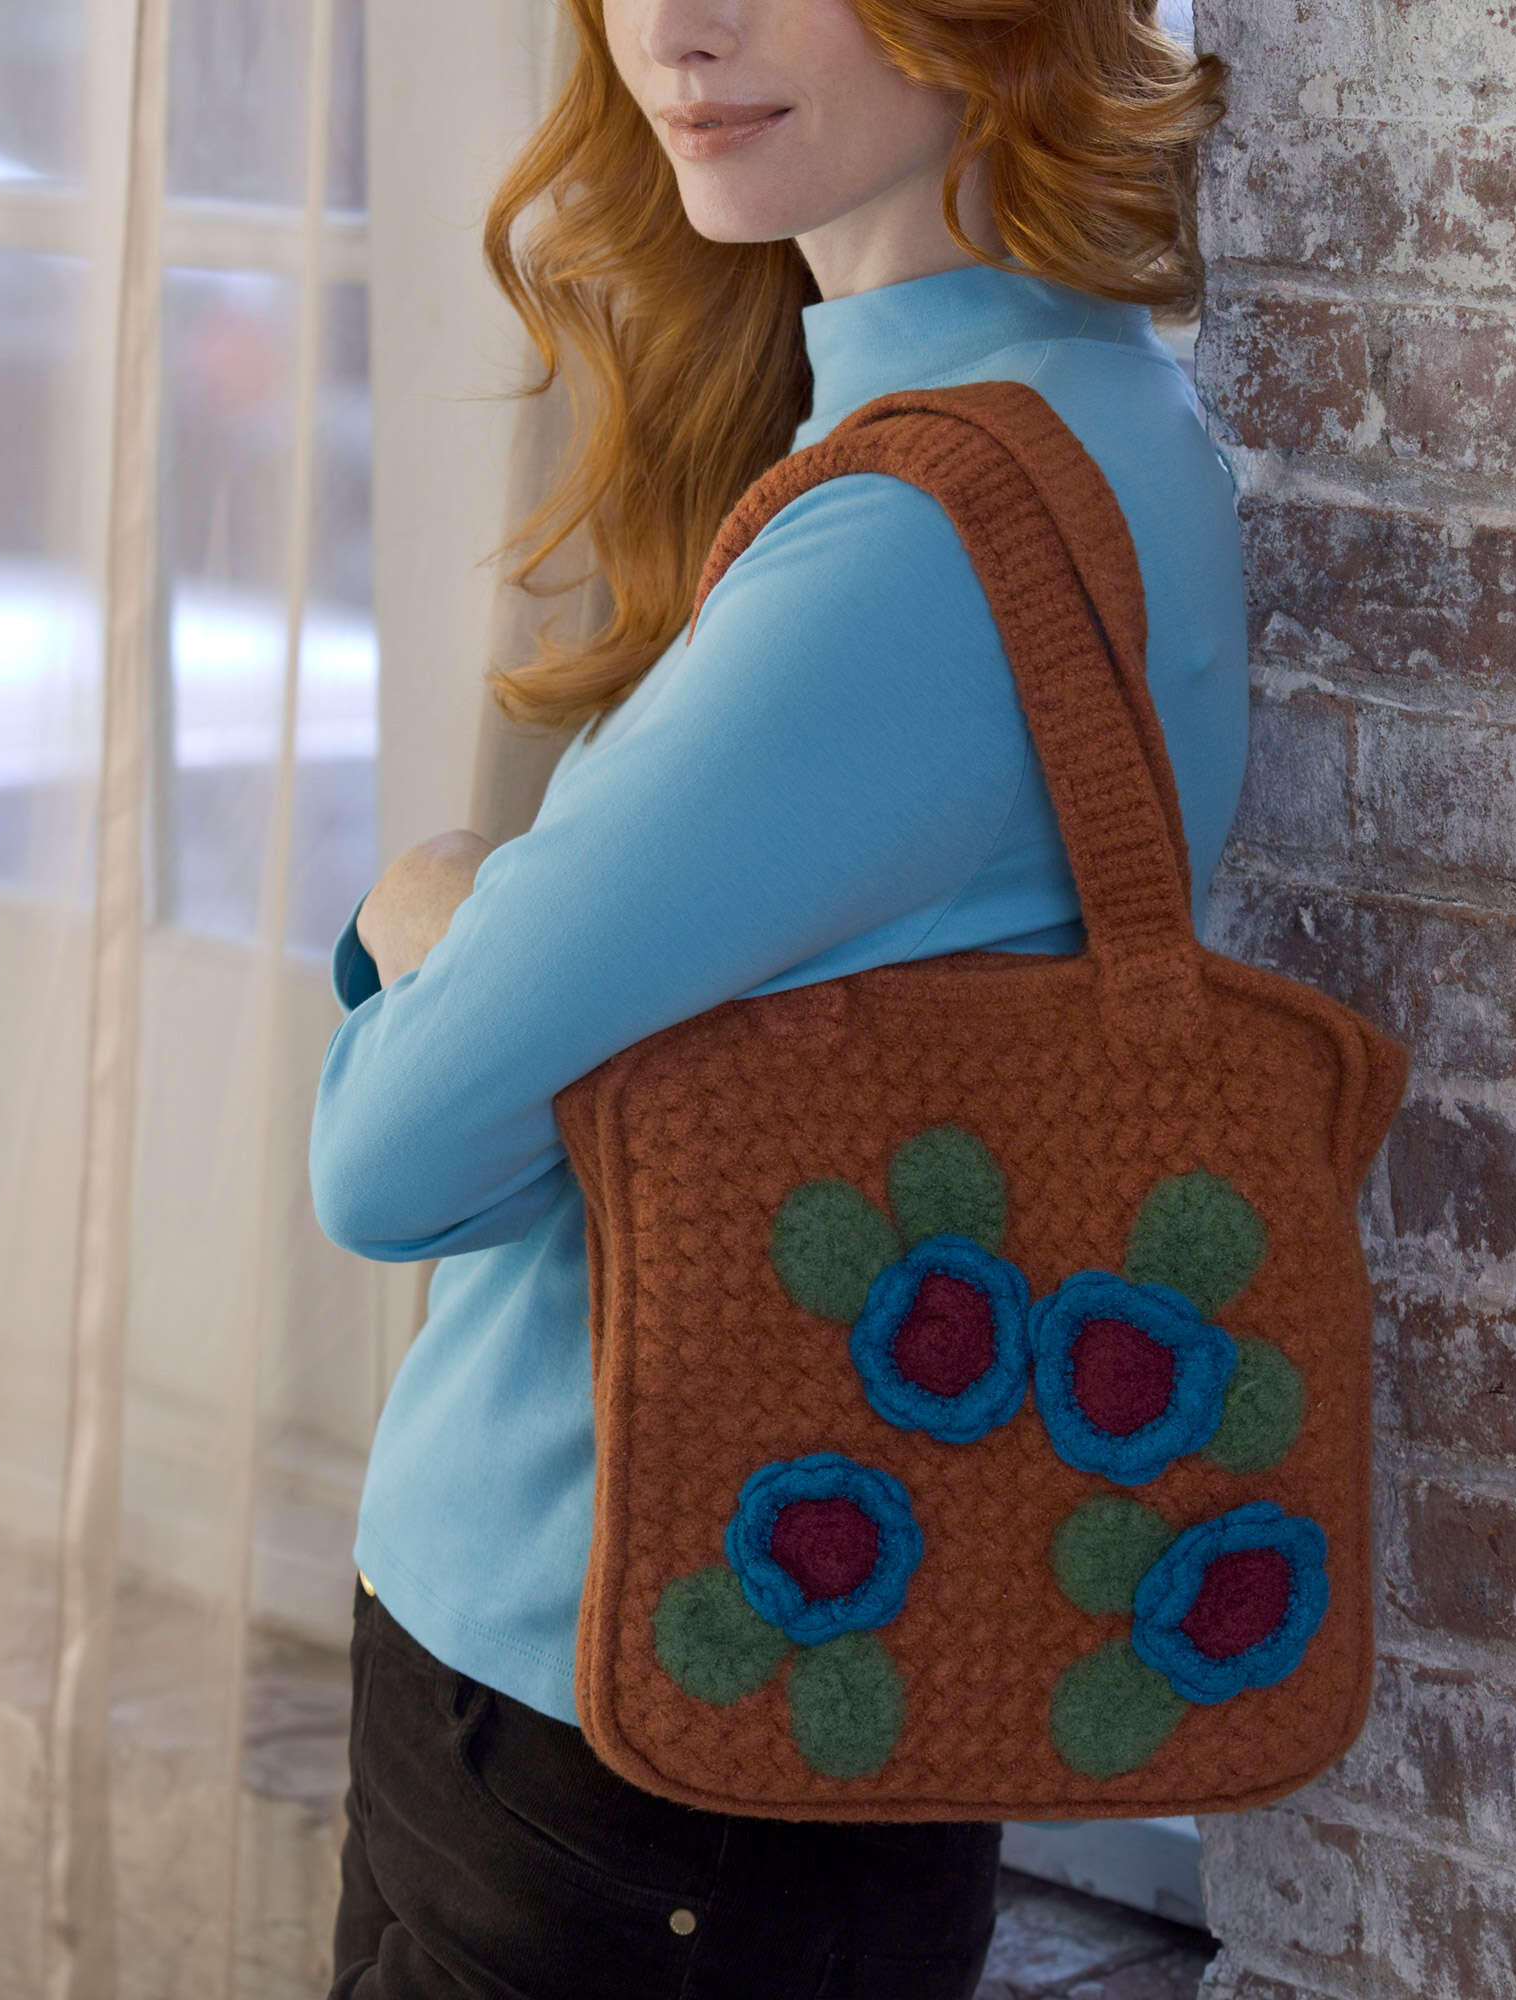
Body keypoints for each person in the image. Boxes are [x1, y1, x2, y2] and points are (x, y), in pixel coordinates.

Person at [309, 0, 1240, 1992]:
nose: (675, 27)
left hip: (614, 1737)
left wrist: (432, 899)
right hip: (727, 1690)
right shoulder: (1088, 417)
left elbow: (391, 1159)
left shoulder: (909, 547)